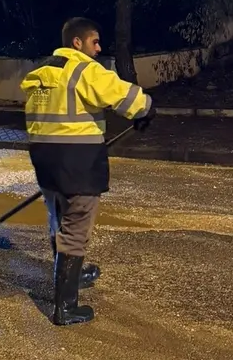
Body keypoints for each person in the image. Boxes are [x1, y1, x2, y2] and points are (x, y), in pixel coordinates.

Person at [21, 18, 155, 327]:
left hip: (45, 158)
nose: (99, 47)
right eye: (95, 41)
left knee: (59, 216)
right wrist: (147, 108)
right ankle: (65, 307)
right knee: (77, 224)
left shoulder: (41, 73)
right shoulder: (84, 69)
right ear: (77, 43)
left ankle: (74, 274)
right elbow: (125, 96)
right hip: (78, 160)